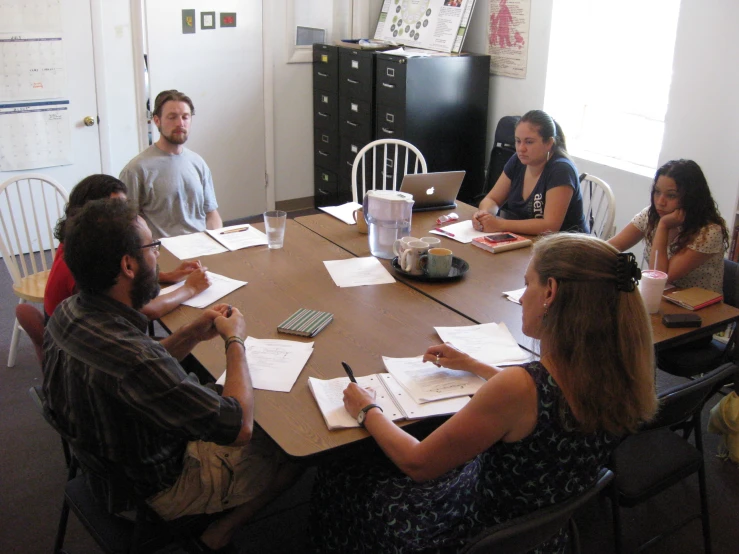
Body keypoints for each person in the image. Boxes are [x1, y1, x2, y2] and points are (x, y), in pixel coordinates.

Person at [310, 233, 657, 553]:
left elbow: (417, 464)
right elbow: (536, 402)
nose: (522, 298)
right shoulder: (619, 372)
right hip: (542, 536)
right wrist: (474, 365)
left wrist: (367, 408)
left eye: (527, 284)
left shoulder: (519, 388)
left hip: (471, 537)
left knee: (341, 474)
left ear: (551, 292)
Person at [43, 199, 299, 552]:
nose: (158, 257)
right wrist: (234, 340)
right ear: (128, 265)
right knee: (293, 444)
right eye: (153, 247)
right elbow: (238, 427)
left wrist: (193, 332)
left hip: (105, 474)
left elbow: (138, 375)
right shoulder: (135, 360)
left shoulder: (69, 312)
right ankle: (220, 531)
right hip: (153, 493)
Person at [43, 174, 211, 320]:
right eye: (115, 208)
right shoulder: (82, 260)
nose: (125, 215)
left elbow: (112, 274)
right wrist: (190, 289)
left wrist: (167, 276)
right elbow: (143, 311)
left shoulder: (80, 240)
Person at [609, 159, 729, 293]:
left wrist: (663, 227)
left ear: (692, 198)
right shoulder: (651, 215)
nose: (660, 202)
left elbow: (659, 277)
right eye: (657, 192)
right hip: (664, 297)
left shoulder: (709, 232)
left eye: (671, 195)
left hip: (700, 309)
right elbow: (608, 248)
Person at [119, 89, 223, 239]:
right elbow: (128, 224)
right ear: (157, 121)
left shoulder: (198, 163)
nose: (180, 123)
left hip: (202, 247)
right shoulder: (136, 170)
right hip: (163, 253)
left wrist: (216, 240)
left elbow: (212, 214)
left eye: (185, 117)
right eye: (172, 117)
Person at [473, 110, 589, 234]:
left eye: (529, 142)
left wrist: (500, 224)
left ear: (549, 143)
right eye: (518, 141)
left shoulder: (561, 170)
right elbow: (492, 199)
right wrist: (484, 215)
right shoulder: (517, 160)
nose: (521, 148)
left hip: (567, 248)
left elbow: (550, 226)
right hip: (529, 240)